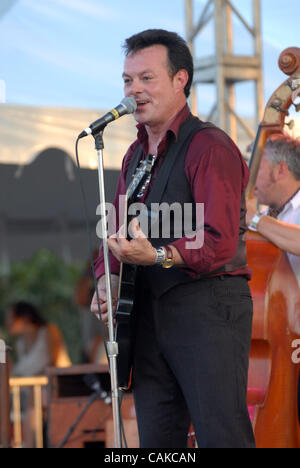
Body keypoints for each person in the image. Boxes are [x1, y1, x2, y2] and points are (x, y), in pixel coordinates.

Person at [91, 29, 256, 448]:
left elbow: (219, 240)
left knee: (221, 435)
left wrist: (160, 253)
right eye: (128, 81)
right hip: (148, 315)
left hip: (207, 309)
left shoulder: (209, 146)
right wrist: (106, 278)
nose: (134, 91)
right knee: (158, 444)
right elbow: (115, 228)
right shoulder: (135, 154)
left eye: (147, 78)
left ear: (180, 79)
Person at [246, 134, 300, 285]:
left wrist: (254, 219)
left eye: (257, 168)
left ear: (280, 170)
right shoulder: (261, 217)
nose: (248, 176)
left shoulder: (258, 219)